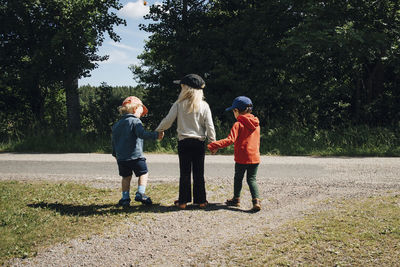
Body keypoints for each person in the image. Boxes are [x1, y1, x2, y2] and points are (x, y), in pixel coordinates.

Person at [156, 74, 216, 209]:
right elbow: (210, 126)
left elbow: (168, 120)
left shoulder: (178, 104)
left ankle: (183, 201)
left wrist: (158, 130)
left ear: (186, 89)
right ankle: (201, 201)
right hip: (199, 143)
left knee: (184, 172)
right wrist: (213, 143)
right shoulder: (204, 106)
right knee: (199, 173)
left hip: (184, 142)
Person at [207, 96, 261, 211]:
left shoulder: (238, 124)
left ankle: (236, 199)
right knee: (251, 179)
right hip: (255, 157)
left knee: (238, 178)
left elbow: (230, 140)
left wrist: (214, 144)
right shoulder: (257, 124)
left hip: (242, 158)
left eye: (233, 111)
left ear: (236, 111)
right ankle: (256, 201)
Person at [112, 96, 164, 207]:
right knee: (143, 173)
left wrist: (115, 154)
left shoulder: (117, 125)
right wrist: (156, 135)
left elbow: (114, 141)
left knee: (126, 177)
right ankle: (140, 193)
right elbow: (142, 134)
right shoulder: (136, 121)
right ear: (135, 109)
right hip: (136, 156)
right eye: (141, 111)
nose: (142, 114)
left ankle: (125, 198)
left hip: (122, 158)